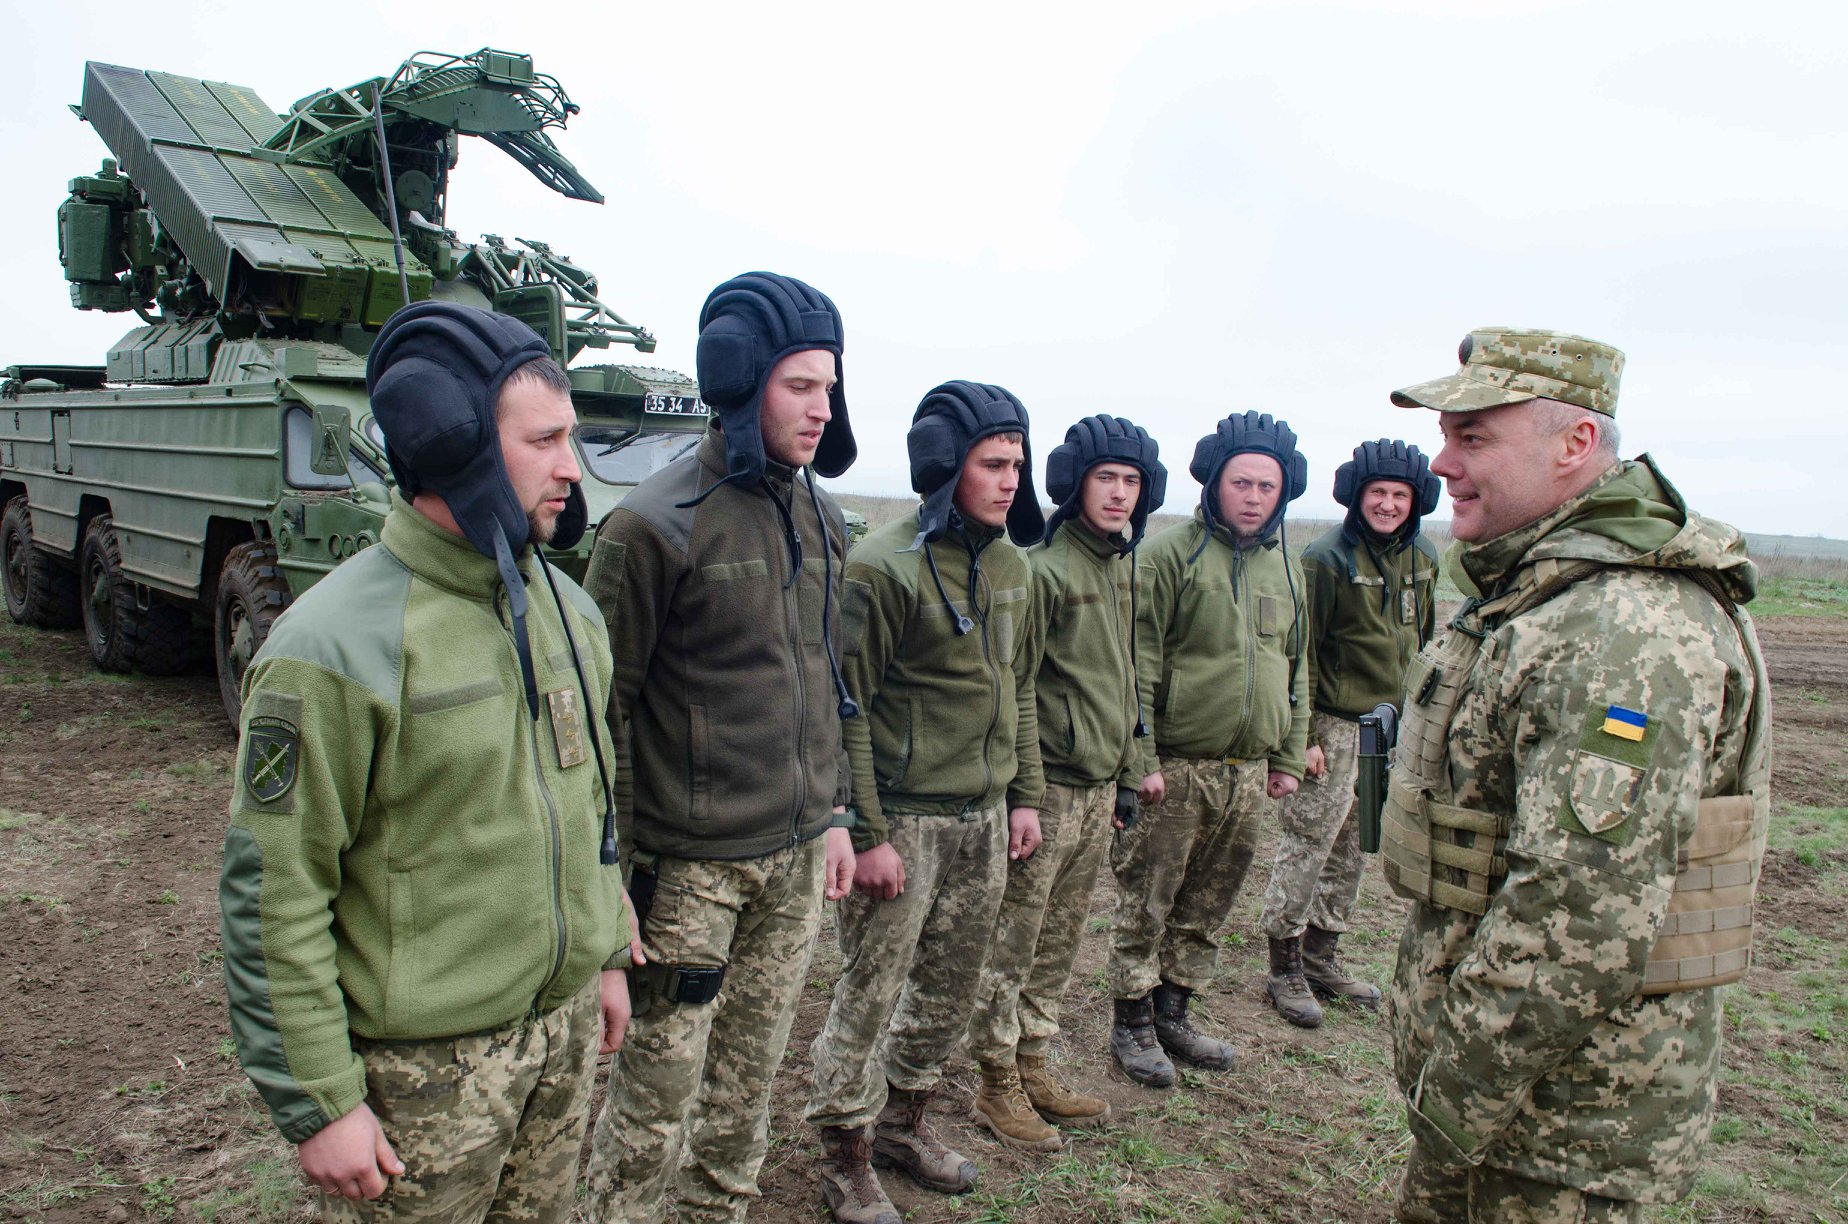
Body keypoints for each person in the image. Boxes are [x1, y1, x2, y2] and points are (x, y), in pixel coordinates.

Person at [220, 301, 636, 1222]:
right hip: (422, 1080)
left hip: (561, 1044)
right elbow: (272, 895)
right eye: (547, 440)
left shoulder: (571, 612)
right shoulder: (327, 649)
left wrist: (605, 948)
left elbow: (588, 800)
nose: (573, 468)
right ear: (454, 448)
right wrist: (320, 1101)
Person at [1384, 328, 1771, 1222]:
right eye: (1447, 436)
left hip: (1565, 1132)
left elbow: (1575, 911)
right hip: (1505, 1110)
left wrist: (1452, 1101)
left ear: (1575, 446)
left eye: (1473, 437)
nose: (1442, 463)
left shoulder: (1622, 630)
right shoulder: (1540, 593)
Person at [579, 272, 859, 1223]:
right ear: (739, 380)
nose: (822, 409)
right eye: (800, 386)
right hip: (686, 878)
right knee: (654, 1108)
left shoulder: (822, 518)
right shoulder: (651, 528)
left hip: (790, 864)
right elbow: (600, 711)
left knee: (746, 1094)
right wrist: (607, 868)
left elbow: (828, 681)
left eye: (830, 386)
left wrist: (834, 815)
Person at [805, 381, 1046, 1224]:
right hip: (901, 816)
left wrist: (1025, 795)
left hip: (983, 817)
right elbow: (848, 709)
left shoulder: (1013, 564)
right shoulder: (882, 567)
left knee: (949, 987)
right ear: (947, 466)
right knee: (870, 990)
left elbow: (1016, 689)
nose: (1010, 480)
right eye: (993, 463)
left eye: (1017, 463)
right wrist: (867, 833)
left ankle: (904, 1123)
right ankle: (845, 1150)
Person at [967, 414, 1167, 1151]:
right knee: (1014, 942)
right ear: (1075, 482)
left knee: (1059, 942)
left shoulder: (1122, 565)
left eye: (1132, 481)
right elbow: (1017, 686)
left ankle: (1034, 1062)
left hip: (1094, 790)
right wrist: (1028, 792)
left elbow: (1124, 680)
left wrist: (1128, 770)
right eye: (1105, 478)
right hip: (1047, 790)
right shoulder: (1044, 568)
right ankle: (996, 1083)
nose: (1119, 495)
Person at [1106, 410, 1310, 1087]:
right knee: (1149, 899)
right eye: (1241, 483)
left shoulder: (1287, 565)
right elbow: (1137, 665)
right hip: (1178, 771)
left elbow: (1296, 664)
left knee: (1209, 905)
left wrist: (1287, 755)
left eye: (1267, 487)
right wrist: (1142, 763)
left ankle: (1175, 1010)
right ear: (1214, 484)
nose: (1253, 497)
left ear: (1284, 492)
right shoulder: (1167, 556)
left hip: (1247, 772)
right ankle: (1131, 1020)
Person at [1257, 439, 1440, 1029]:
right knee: (1310, 840)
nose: (1388, 505)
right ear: (1357, 496)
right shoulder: (1325, 558)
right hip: (1331, 724)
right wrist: (1302, 733)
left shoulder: (1424, 558)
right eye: (1377, 493)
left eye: (1399, 495)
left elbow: (1426, 643)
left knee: (1356, 843)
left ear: (1416, 501)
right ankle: (1282, 962)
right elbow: (1299, 651)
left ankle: (1321, 953)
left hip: (1386, 727)